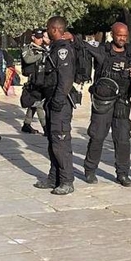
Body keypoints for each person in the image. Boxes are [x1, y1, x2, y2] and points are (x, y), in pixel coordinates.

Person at [83, 22, 131, 187]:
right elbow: (82, 45)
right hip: (103, 102)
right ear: (112, 34)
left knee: (123, 139)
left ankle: (123, 174)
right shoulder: (102, 51)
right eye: (119, 35)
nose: (122, 39)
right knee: (97, 136)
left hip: (122, 102)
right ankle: (90, 170)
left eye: (125, 36)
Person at [34, 16, 77, 196]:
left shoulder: (63, 50)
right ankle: (54, 177)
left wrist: (58, 102)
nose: (46, 32)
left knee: (60, 142)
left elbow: (66, 80)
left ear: (54, 29)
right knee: (52, 142)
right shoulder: (54, 49)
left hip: (60, 103)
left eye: (47, 29)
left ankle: (67, 180)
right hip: (51, 101)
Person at [20, 29, 48, 135]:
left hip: (42, 79)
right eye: (38, 38)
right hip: (33, 80)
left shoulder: (44, 49)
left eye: (41, 38)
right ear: (33, 37)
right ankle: (45, 128)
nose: (40, 40)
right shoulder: (28, 48)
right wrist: (40, 56)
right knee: (39, 104)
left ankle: (26, 124)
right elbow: (27, 59)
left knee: (34, 103)